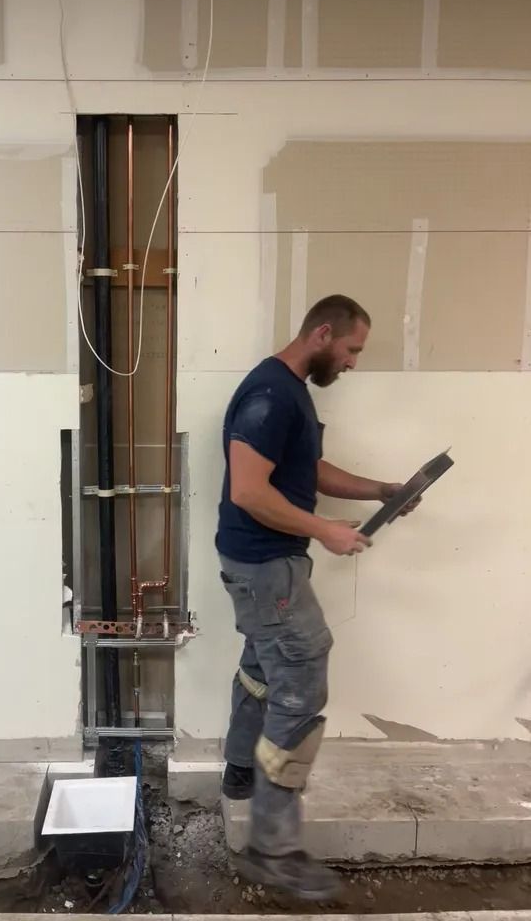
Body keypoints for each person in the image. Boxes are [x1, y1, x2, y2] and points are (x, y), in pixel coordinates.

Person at [215, 294, 417, 901]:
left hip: (266, 565)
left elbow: (306, 471)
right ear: (323, 333)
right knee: (302, 679)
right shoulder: (270, 395)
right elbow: (250, 491)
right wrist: (326, 529)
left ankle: (240, 771)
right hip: (265, 567)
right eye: (352, 349)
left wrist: (380, 490)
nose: (354, 363)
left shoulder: (290, 389)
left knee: (263, 666)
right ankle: (273, 849)